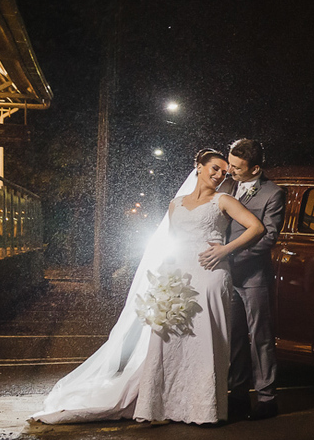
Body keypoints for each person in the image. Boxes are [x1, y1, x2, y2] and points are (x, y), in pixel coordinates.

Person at [31, 149, 264, 425]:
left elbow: (256, 227)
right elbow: (173, 241)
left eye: (223, 173)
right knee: (169, 340)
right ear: (198, 167)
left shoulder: (223, 200)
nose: (218, 175)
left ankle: (203, 409)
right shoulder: (175, 204)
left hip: (210, 275)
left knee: (206, 342)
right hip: (177, 278)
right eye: (214, 168)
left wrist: (225, 250)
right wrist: (164, 278)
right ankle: (162, 404)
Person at [211, 138, 284, 420]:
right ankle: (237, 394)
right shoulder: (226, 185)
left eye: (238, 168)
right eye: (230, 164)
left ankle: (267, 398)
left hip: (254, 276)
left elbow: (269, 237)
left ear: (255, 169)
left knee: (260, 338)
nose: (230, 171)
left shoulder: (273, 193)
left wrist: (232, 256)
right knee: (235, 338)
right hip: (226, 275)